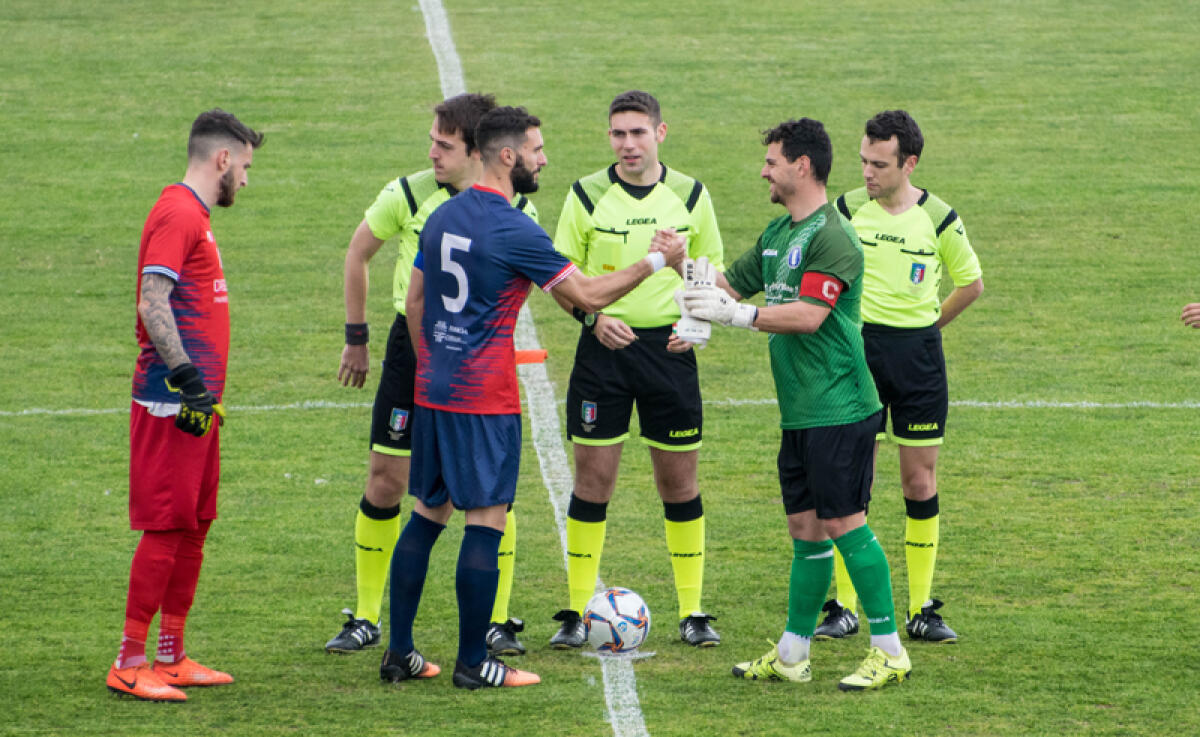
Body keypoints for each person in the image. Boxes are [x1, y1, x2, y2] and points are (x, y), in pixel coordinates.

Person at [380, 106, 685, 689]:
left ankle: (400, 652)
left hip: (434, 387)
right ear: (508, 155)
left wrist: (433, 367)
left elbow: (415, 303)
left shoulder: (442, 216)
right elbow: (589, 294)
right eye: (538, 149)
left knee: (425, 513)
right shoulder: (515, 228)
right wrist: (655, 260)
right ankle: (475, 663)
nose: (545, 159)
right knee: (486, 519)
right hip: (484, 397)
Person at [677, 117, 911, 691]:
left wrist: (737, 317)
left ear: (801, 166)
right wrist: (690, 287)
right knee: (806, 531)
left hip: (841, 406)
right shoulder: (779, 233)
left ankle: (890, 650)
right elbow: (728, 286)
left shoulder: (834, 236)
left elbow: (808, 317)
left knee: (843, 523)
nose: (764, 171)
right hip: (801, 412)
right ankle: (791, 653)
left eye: (772, 162)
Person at [326, 94, 537, 657]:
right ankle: (367, 617)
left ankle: (494, 621)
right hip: (416, 348)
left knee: (488, 496)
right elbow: (358, 255)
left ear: (476, 151)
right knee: (388, 483)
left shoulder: (517, 210)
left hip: (473, 353)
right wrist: (357, 337)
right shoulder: (411, 193)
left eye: (444, 145)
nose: (432, 154)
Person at [548, 90, 725, 649]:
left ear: (660, 133)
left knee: (679, 483)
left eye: (637, 133)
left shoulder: (692, 195)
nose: (627, 145)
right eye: (618, 134)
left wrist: (694, 327)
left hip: (670, 353)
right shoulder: (585, 194)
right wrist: (591, 320)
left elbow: (710, 272)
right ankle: (577, 612)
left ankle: (693, 612)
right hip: (605, 351)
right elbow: (560, 278)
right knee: (593, 481)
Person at [108, 109, 263, 702]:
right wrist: (188, 379)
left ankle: (170, 654)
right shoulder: (177, 213)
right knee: (167, 528)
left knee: (195, 525)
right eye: (244, 166)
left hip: (199, 404)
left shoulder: (193, 214)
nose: (245, 180)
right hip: (172, 402)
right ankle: (129, 661)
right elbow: (154, 302)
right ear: (222, 159)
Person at [813, 110, 983, 644]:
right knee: (849, 480)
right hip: (855, 352)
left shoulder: (938, 217)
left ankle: (922, 608)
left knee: (919, 480)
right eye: (864, 160)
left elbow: (971, 283)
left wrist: (928, 325)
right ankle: (843, 606)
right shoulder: (842, 211)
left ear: (908, 163)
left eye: (879, 164)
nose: (867, 172)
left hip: (917, 357)